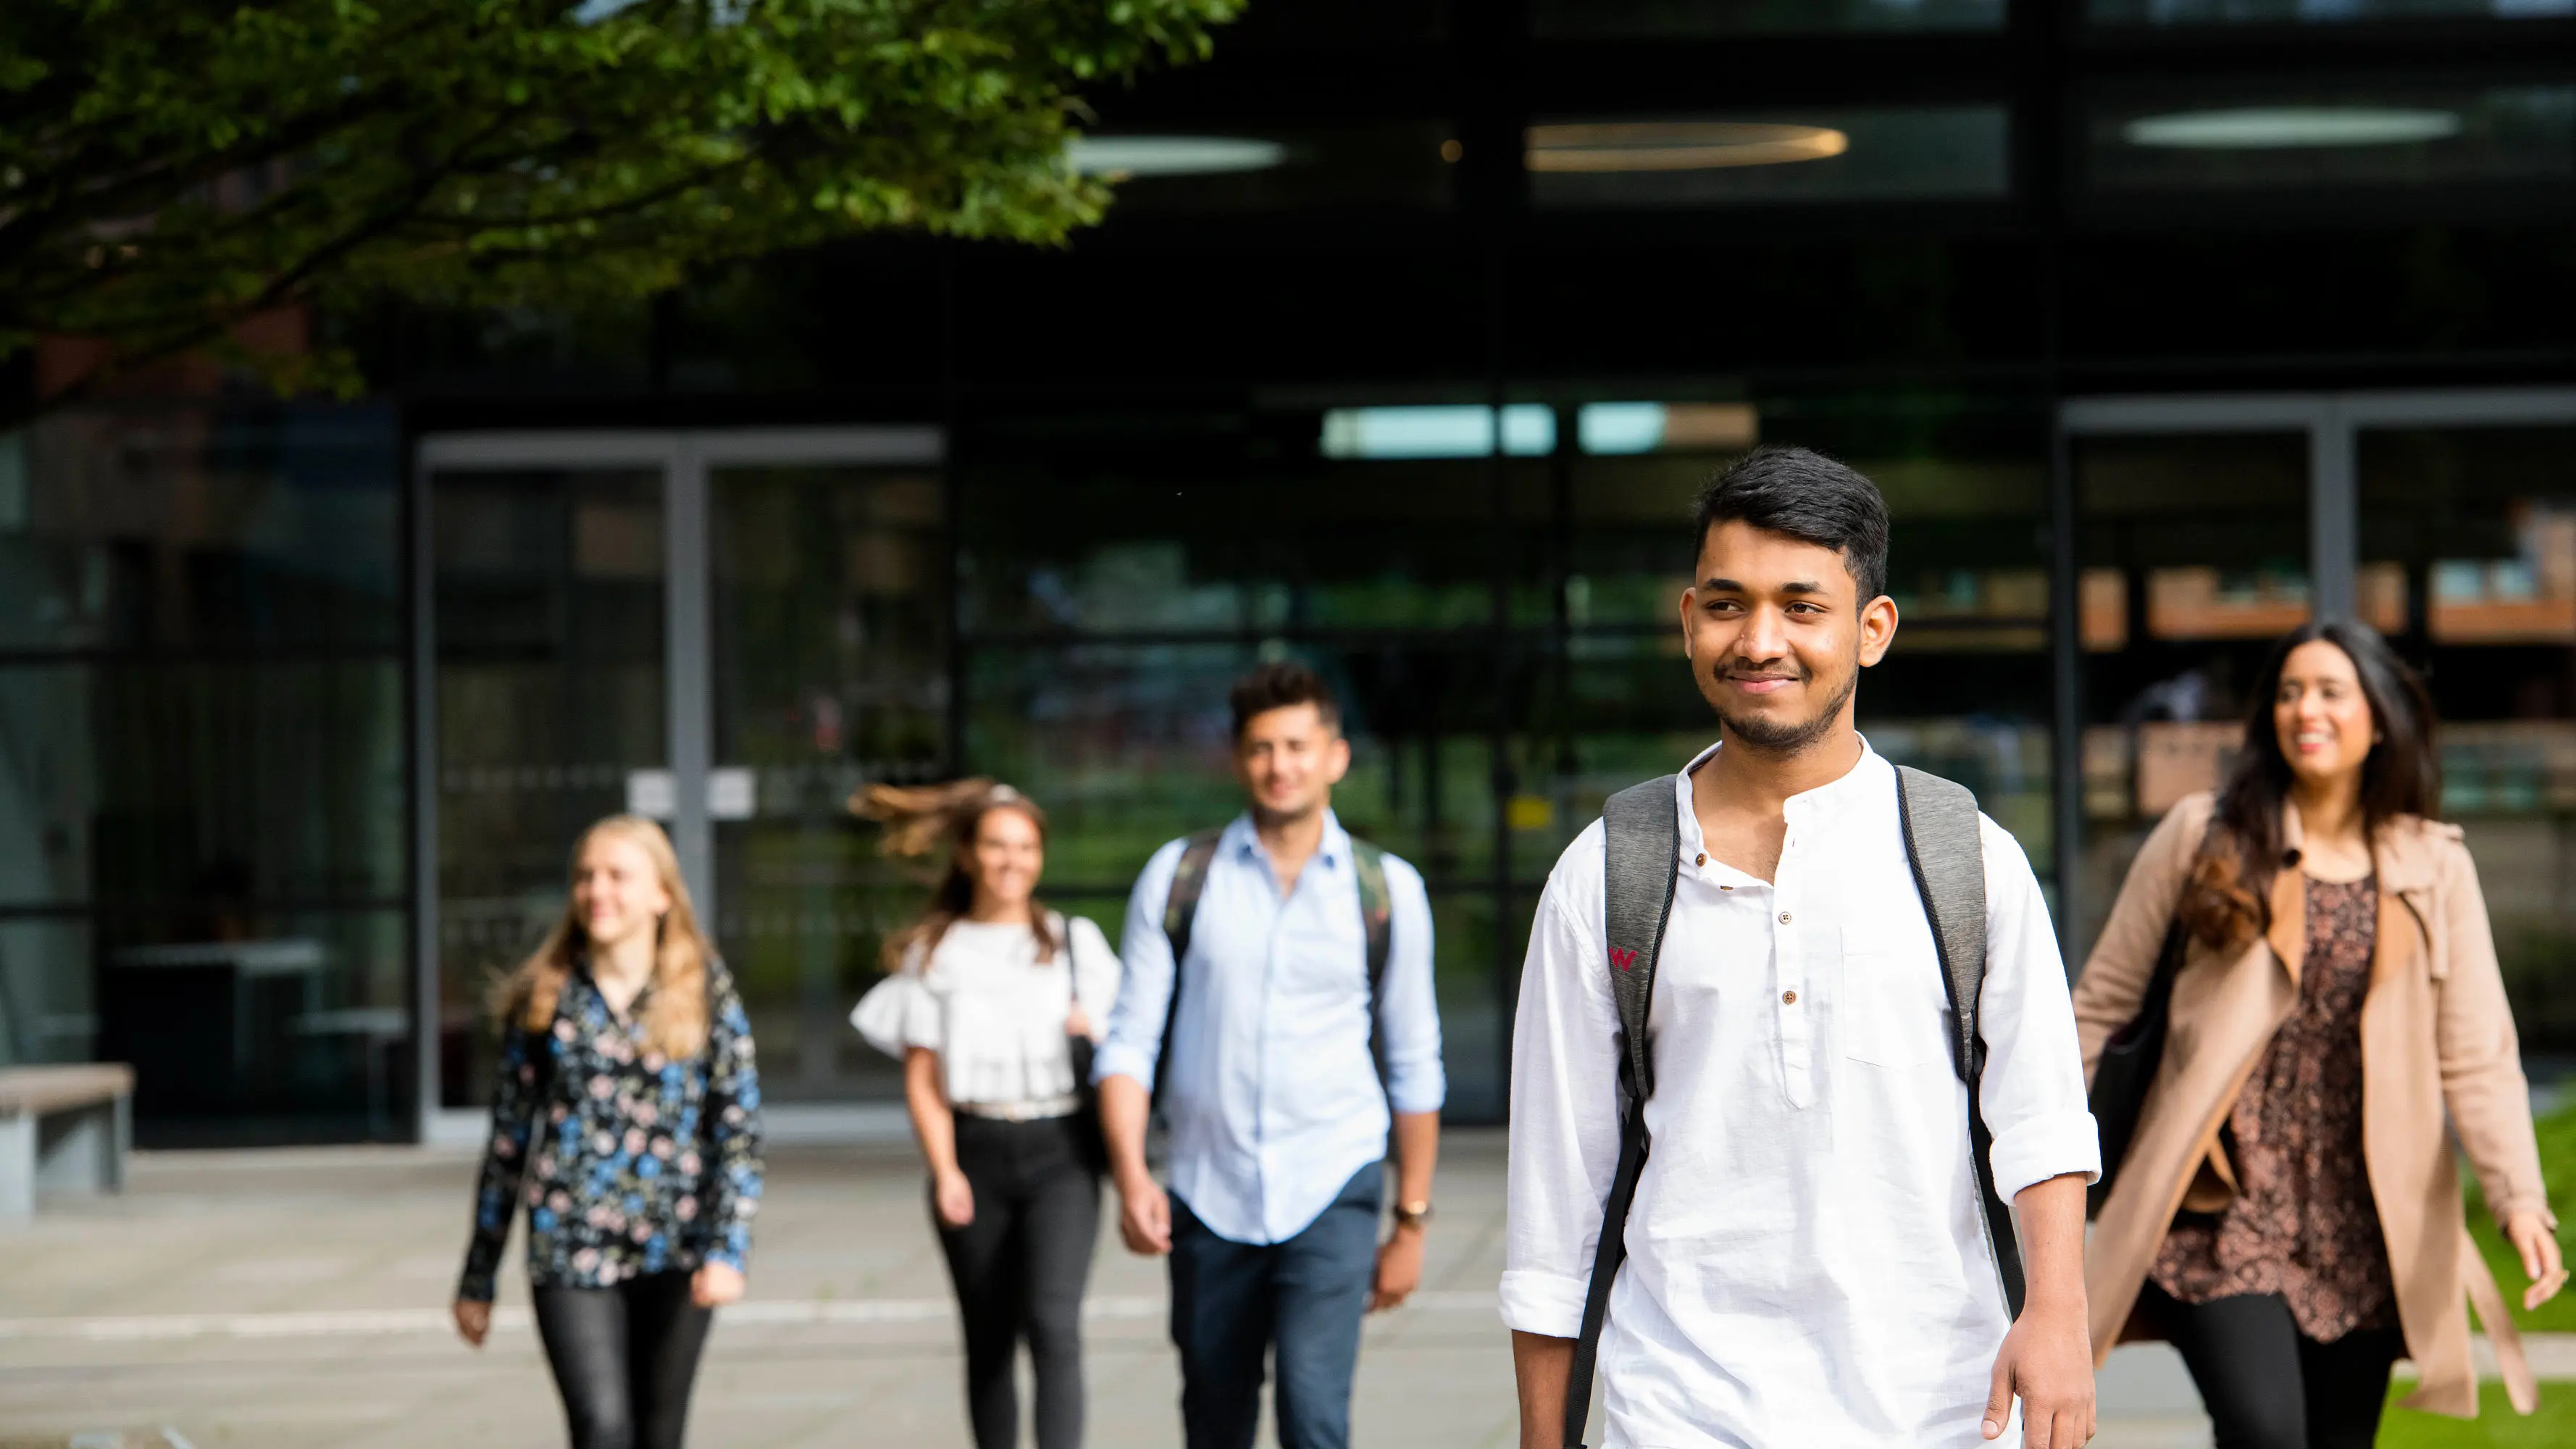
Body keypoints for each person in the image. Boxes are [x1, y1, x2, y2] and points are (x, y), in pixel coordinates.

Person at [1505, 446, 2102, 1449]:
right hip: (1680, 1408)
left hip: (1941, 1404)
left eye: (1802, 605)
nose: (1761, 639)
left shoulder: (1964, 857)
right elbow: (1555, 1197)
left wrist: (2060, 1314)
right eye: (1730, 604)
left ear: (1872, 631)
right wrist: (1542, 1434)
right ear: (1689, 620)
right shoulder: (1607, 874)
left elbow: (2040, 1117)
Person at [2073, 620, 2567, 1447]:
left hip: (2364, 1218)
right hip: (2219, 1203)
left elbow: (2476, 1051)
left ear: (2378, 718)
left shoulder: (2434, 864)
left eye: (2331, 691)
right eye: (2290, 691)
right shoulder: (2203, 834)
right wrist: (2041, 1164)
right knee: (2264, 1429)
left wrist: (2518, 1197)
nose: (2307, 709)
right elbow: (2102, 1003)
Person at [1093, 660, 1445, 1449]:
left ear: (1334, 756)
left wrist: (1411, 1222)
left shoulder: (1385, 889)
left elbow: (1415, 1063)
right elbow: (1129, 1040)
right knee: (1214, 1418)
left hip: (1333, 1181)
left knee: (1312, 1413)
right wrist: (1130, 1174)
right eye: (1260, 747)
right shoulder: (1181, 876)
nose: (1278, 764)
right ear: (1236, 759)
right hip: (1207, 1190)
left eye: (1295, 744)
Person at [453, 814, 764, 1449]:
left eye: (618, 876)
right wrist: (477, 1276)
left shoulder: (705, 991)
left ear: (661, 895)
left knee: (658, 1432)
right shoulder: (546, 997)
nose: (599, 891)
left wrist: (727, 1249)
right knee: (602, 1427)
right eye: (586, 877)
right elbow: (508, 1143)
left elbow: (738, 1131)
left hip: (676, 1246)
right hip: (571, 1246)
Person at [849, 779, 1123, 1449]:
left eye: (1027, 848)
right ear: (968, 854)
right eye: (997, 846)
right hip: (976, 1150)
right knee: (990, 1333)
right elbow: (923, 1079)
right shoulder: (936, 954)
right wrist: (945, 1171)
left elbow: (1128, 1056)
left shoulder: (1074, 943)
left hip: (1062, 1149)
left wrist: (1095, 1036)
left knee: (1055, 1324)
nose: (1013, 862)